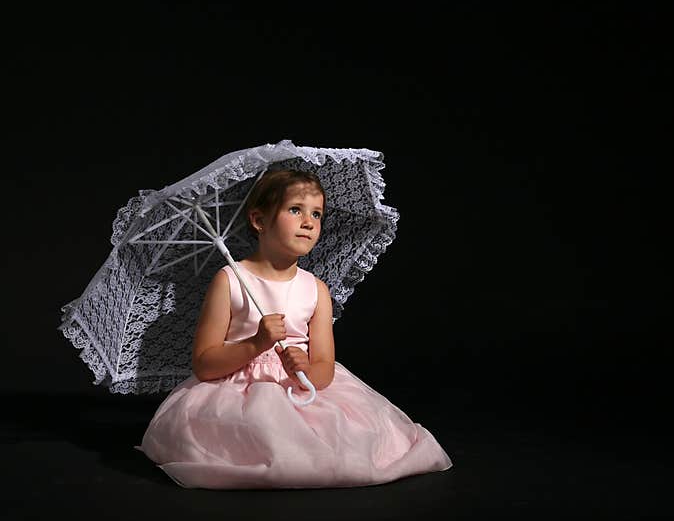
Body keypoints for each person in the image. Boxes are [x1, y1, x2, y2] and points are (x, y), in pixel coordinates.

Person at [135, 168, 453, 489]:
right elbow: (204, 364)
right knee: (259, 442)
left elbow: (324, 368)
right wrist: (256, 343)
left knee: (342, 449)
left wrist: (306, 370)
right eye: (295, 210)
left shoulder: (316, 290)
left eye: (317, 213)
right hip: (237, 390)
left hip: (298, 387)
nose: (309, 222)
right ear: (259, 220)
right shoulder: (230, 280)